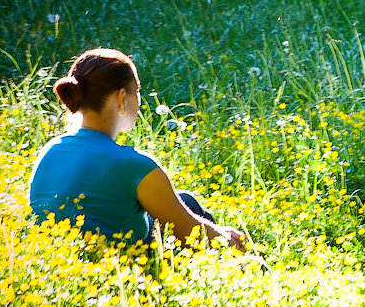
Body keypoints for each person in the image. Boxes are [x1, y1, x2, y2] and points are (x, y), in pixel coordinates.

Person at [29, 48, 246, 251]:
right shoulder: (134, 165)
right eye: (138, 91)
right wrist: (227, 238)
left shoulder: (50, 150)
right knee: (208, 228)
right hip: (122, 267)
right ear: (121, 97)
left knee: (185, 201)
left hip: (61, 263)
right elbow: (190, 233)